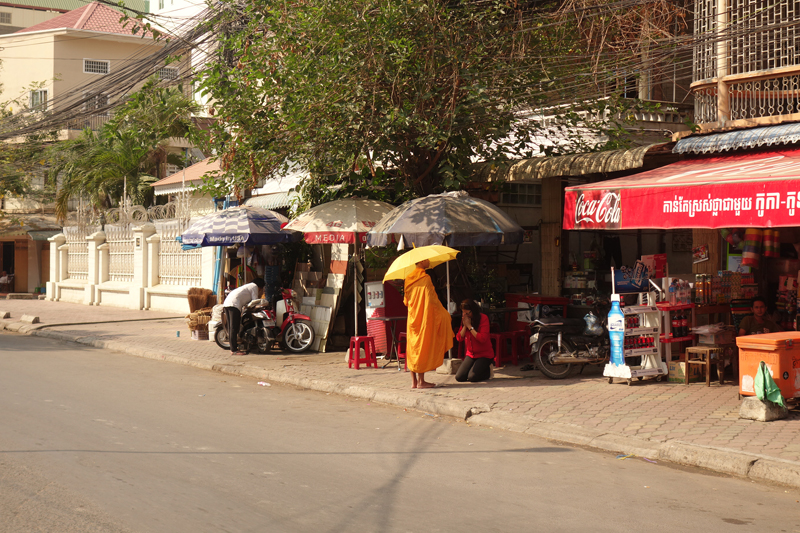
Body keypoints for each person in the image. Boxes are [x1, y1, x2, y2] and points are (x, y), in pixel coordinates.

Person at [404, 259, 453, 389]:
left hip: (412, 319)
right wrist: (444, 313)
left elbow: (406, 301)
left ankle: (414, 382)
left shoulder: (408, 278)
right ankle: (421, 382)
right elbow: (432, 301)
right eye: (427, 260)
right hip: (423, 318)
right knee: (422, 348)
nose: (429, 261)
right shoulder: (425, 278)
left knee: (412, 348)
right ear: (421, 261)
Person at [223, 278, 266, 355]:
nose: (260, 290)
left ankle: (233, 347)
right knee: (234, 328)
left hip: (227, 303)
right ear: (260, 286)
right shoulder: (254, 286)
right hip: (234, 304)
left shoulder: (248, 286)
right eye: (261, 288)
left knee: (231, 328)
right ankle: (234, 350)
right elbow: (255, 301)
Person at [455, 299, 494, 383]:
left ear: (473, 311)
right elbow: (459, 338)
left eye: (467, 313)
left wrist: (470, 326)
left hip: (484, 354)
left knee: (472, 377)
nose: (465, 315)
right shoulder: (465, 319)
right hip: (471, 354)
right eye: (463, 313)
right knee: (459, 377)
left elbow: (482, 339)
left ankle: (487, 371)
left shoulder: (483, 318)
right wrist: (465, 326)